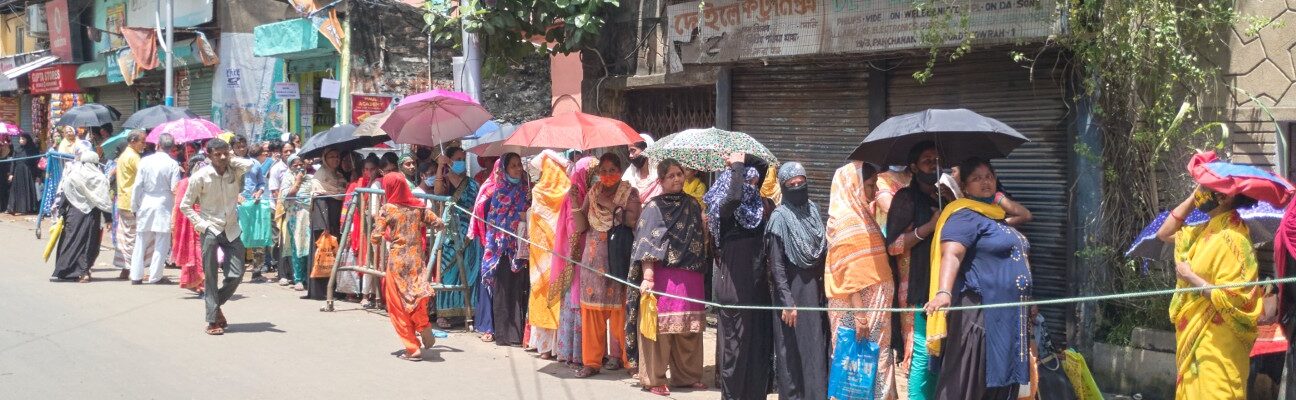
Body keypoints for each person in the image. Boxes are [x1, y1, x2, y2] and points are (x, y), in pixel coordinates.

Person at [1154, 156, 1266, 399]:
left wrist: (1190, 277)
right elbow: (1164, 233)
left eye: (1205, 189)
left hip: (1220, 341)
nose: (1199, 192)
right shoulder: (1204, 230)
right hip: (1197, 337)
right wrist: (1194, 199)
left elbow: (1237, 298)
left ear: (1224, 197)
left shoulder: (1234, 239)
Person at [924, 157, 1034, 399]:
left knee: (1001, 385)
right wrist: (943, 292)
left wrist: (1030, 300)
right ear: (964, 186)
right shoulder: (964, 215)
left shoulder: (993, 216)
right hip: (980, 316)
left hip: (1008, 315)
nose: (985, 182)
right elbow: (951, 254)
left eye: (989, 176)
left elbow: (1025, 217)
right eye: (977, 178)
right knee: (968, 384)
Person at [631, 158, 709, 396]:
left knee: (688, 329)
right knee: (660, 331)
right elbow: (646, 243)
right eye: (671, 175)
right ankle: (653, 378)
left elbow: (701, 239)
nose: (677, 179)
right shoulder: (653, 208)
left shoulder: (693, 205)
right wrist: (648, 275)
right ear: (661, 180)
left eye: (679, 174)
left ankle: (687, 376)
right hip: (663, 275)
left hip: (691, 274)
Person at [823, 161, 895, 399]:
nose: (875, 192)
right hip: (858, 314)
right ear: (853, 186)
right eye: (870, 185)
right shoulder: (846, 221)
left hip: (875, 311)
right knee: (855, 369)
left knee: (875, 365)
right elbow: (849, 274)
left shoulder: (864, 216)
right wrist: (860, 315)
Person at [705, 152, 774, 398]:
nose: (753, 187)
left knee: (757, 348)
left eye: (754, 183)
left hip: (758, 291)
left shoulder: (758, 208)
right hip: (734, 291)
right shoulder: (723, 209)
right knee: (735, 351)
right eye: (748, 182)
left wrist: (741, 156)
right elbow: (734, 196)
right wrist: (736, 166)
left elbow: (763, 166)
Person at [179, 138, 255, 336]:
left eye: (225, 153)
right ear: (209, 156)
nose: (222, 157)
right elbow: (185, 205)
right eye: (217, 154)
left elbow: (249, 163)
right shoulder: (201, 176)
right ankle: (213, 320)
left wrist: (230, 160)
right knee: (211, 276)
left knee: (236, 274)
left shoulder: (234, 171)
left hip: (231, 229)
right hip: (210, 228)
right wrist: (201, 225)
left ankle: (214, 305)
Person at [767, 162, 829, 400]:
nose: (797, 187)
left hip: (814, 292)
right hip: (792, 295)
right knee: (792, 354)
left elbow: (821, 251)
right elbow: (776, 266)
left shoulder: (812, 209)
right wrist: (787, 301)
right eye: (791, 185)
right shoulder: (779, 218)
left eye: (801, 182)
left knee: (815, 347)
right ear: (783, 187)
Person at [884, 142, 941, 399]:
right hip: (916, 287)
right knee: (920, 351)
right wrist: (929, 226)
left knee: (939, 349)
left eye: (937, 159)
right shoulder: (905, 198)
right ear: (914, 167)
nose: (934, 164)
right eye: (928, 160)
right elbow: (893, 246)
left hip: (941, 284)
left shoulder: (944, 196)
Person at [575, 153, 641, 378]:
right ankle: (591, 362)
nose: (607, 175)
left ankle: (629, 360)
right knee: (592, 312)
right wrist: (575, 202)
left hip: (617, 260)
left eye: (612, 170)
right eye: (603, 170)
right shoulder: (592, 193)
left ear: (620, 171)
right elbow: (581, 226)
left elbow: (632, 220)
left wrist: (608, 203)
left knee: (621, 312)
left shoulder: (630, 192)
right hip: (593, 261)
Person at [371, 171, 445, 361]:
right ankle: (423, 324)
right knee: (415, 295)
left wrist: (376, 238)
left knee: (397, 305)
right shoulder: (417, 207)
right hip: (416, 260)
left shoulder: (387, 208)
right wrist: (441, 222)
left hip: (397, 262)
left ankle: (412, 347)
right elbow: (437, 222)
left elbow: (376, 236)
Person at [471, 152, 531, 345]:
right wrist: (517, 220)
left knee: (518, 289)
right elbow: (495, 220)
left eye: (519, 165)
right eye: (513, 165)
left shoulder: (526, 190)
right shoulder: (500, 191)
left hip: (520, 248)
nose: (517, 169)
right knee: (503, 289)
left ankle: (516, 335)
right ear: (504, 170)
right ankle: (503, 334)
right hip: (502, 248)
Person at [526, 150, 571, 359]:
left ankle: (543, 347)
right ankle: (560, 346)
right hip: (562, 252)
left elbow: (532, 222)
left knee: (543, 294)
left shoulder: (538, 192)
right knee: (560, 294)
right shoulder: (569, 190)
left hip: (541, 254)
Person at [431, 147, 482, 329]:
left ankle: (467, 311)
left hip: (469, 232)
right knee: (448, 271)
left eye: (463, 158)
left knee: (469, 271)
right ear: (450, 160)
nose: (461, 161)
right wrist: (440, 167)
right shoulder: (445, 179)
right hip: (451, 233)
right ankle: (444, 312)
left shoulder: (472, 183)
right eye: (457, 158)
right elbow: (437, 192)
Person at [551, 156, 594, 368]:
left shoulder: (589, 193)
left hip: (589, 255)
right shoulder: (573, 196)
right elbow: (575, 229)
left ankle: (582, 351)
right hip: (577, 255)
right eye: (591, 173)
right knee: (575, 300)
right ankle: (575, 352)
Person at [50, 151, 113, 282]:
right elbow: (104, 201)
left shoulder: (73, 176)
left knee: (71, 241)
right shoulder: (100, 178)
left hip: (73, 214)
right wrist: (108, 219)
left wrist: (61, 213)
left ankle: (66, 271)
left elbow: (65, 194)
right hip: (92, 216)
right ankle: (84, 273)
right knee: (88, 243)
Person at [129, 133, 182, 285]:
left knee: (140, 240)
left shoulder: (145, 161)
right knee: (162, 240)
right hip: (164, 204)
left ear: (158, 145)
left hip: (146, 201)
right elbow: (175, 188)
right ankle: (155, 276)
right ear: (171, 148)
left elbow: (137, 185)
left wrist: (134, 205)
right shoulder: (172, 164)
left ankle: (136, 276)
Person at [336, 154, 381, 305]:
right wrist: (347, 229)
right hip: (357, 227)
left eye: (372, 169)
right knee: (357, 258)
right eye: (366, 169)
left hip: (372, 227)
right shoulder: (356, 184)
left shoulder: (378, 184)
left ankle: (373, 295)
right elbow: (347, 208)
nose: (369, 172)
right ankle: (354, 293)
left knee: (372, 260)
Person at [306, 148, 348, 300]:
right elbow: (319, 197)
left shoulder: (338, 175)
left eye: (337, 156)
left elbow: (343, 191)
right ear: (325, 158)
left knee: (333, 253)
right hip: (323, 218)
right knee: (322, 253)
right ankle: (320, 291)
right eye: (332, 157)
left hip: (334, 217)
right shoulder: (320, 177)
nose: (335, 159)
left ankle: (332, 288)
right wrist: (324, 226)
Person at [112, 131, 146, 279]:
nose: (144, 145)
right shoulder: (133, 157)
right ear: (133, 141)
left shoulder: (124, 155)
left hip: (124, 200)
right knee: (134, 237)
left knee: (125, 236)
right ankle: (134, 269)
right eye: (142, 142)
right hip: (131, 202)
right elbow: (145, 175)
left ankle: (126, 269)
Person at [174, 155, 207, 294]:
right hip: (189, 222)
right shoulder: (185, 183)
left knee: (202, 251)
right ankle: (200, 282)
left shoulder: (207, 181)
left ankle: (200, 282)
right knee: (195, 252)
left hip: (205, 220)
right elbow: (179, 205)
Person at [280, 155, 312, 291]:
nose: (299, 167)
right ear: (289, 166)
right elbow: (287, 196)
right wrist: (297, 182)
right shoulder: (287, 178)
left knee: (308, 246)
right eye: (295, 165)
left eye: (301, 165)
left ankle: (308, 278)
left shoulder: (310, 178)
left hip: (309, 216)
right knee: (297, 246)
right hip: (295, 217)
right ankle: (298, 278)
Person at [623, 134, 662, 203]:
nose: (630, 155)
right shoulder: (629, 174)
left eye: (633, 150)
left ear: (646, 150)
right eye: (629, 151)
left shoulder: (660, 175)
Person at [7, 133, 39, 215]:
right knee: (15, 190)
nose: (21, 140)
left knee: (28, 189)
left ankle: (28, 208)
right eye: (20, 139)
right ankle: (12, 208)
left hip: (28, 172)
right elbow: (13, 162)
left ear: (27, 140)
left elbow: (36, 162)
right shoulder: (17, 149)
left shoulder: (33, 149)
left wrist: (37, 175)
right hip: (18, 172)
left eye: (23, 139)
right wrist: (11, 173)